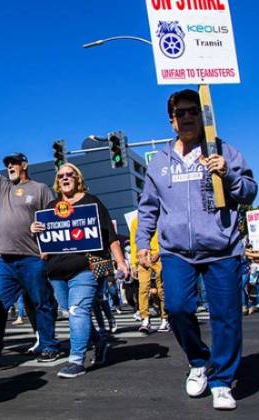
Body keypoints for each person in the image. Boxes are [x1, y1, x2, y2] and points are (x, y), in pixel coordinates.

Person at [136, 89, 257, 410]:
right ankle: (199, 361)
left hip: (222, 249)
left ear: (203, 116)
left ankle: (221, 380)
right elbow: (148, 207)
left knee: (226, 317)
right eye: (181, 113)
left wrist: (228, 174)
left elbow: (248, 192)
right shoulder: (160, 162)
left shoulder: (225, 150)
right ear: (172, 121)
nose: (188, 117)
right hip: (176, 252)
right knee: (176, 307)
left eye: (193, 111)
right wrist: (141, 245)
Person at [0, 128, 60, 364]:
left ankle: (49, 345)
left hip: (31, 258)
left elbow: (54, 220)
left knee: (41, 303)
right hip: (5, 260)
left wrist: (46, 244)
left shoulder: (40, 189)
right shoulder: (3, 186)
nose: (9, 167)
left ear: (24, 165)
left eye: (14, 163)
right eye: (7, 164)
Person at [31, 163, 128, 378]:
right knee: (70, 311)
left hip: (85, 266)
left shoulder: (91, 202)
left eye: (69, 174)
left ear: (78, 178)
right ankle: (99, 342)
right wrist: (35, 230)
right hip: (56, 270)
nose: (65, 178)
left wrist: (120, 261)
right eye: (61, 176)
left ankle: (76, 360)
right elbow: (45, 242)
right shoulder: (52, 205)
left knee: (77, 310)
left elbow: (110, 236)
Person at [130, 218, 169, 333]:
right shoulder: (135, 221)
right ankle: (145, 319)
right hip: (142, 258)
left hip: (158, 257)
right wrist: (133, 264)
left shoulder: (160, 218)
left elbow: (166, 237)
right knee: (143, 289)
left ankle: (165, 319)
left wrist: (159, 252)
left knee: (161, 289)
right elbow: (133, 242)